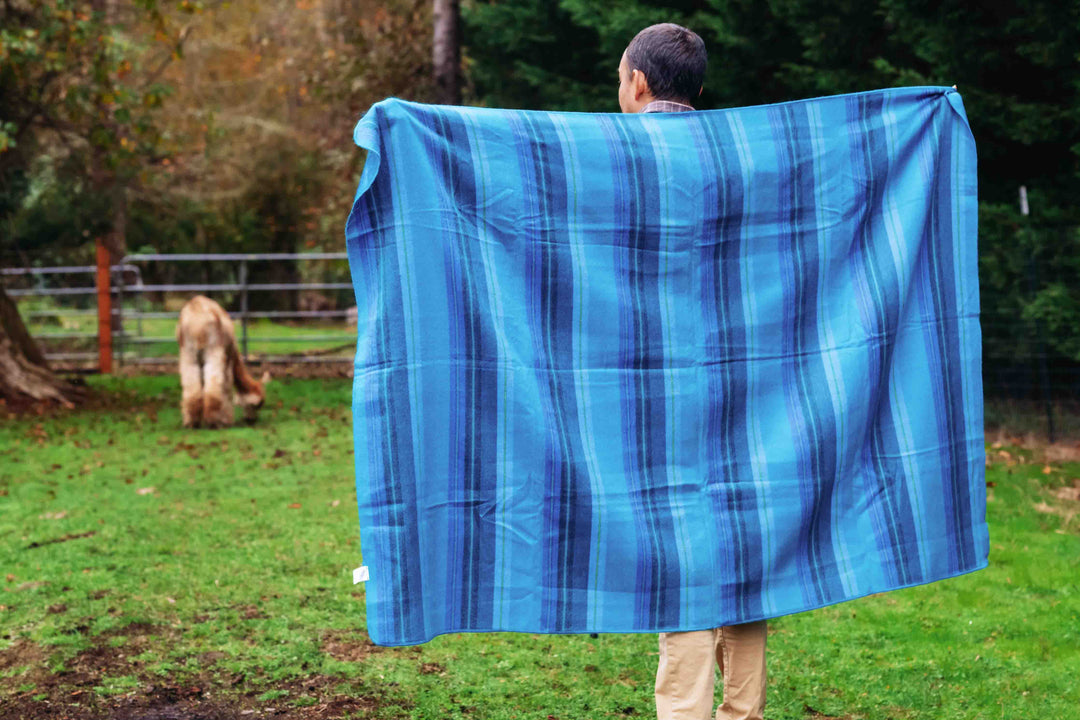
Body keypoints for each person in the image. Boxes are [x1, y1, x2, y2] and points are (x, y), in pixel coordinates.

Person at [616, 23, 769, 720]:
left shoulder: (614, 157)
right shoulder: (742, 155)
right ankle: (743, 711)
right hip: (750, 384)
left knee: (681, 552)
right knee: (745, 540)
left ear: (637, 83)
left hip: (656, 387)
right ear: (697, 87)